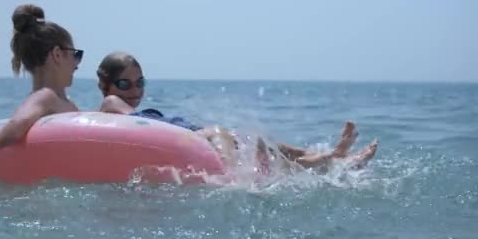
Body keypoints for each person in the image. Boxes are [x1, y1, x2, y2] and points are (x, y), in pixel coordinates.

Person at [96, 51, 378, 172]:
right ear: (105, 84)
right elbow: (129, 121)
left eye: (140, 82)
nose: (135, 90)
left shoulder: (125, 106)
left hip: (184, 132)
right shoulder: (110, 103)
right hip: (186, 136)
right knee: (236, 138)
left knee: (255, 139)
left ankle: (329, 157)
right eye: (125, 83)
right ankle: (326, 165)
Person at [0, 4, 83, 173]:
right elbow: (20, 121)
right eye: (75, 54)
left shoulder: (62, 101)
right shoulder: (45, 97)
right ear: (56, 54)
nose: (77, 62)